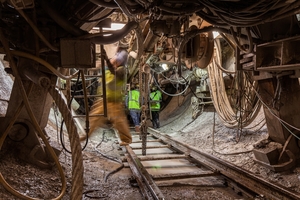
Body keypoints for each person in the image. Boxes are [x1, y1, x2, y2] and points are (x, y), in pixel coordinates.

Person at [80, 41, 132, 146]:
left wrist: (106, 59)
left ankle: (126, 140)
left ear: (119, 62)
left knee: (119, 121)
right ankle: (85, 135)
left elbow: (114, 71)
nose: (113, 60)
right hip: (104, 99)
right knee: (94, 117)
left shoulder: (121, 71)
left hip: (115, 101)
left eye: (116, 60)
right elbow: (98, 67)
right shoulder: (107, 69)